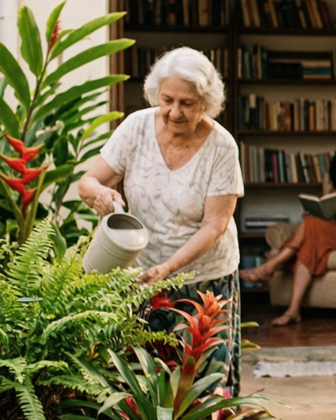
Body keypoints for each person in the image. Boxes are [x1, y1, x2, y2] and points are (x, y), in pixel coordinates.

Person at [78, 46, 245, 394]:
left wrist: (169, 268)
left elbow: (214, 226)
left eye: (187, 103)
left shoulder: (222, 147)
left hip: (205, 279)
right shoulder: (136, 127)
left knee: (203, 384)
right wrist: (101, 195)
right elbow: (88, 181)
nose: (174, 112)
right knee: (143, 378)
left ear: (207, 101)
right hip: (143, 276)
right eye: (167, 100)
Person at [239, 144, 336, 326]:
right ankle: (293, 310)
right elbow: (327, 218)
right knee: (310, 235)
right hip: (330, 234)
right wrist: (315, 213)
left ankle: (269, 267)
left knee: (311, 227)